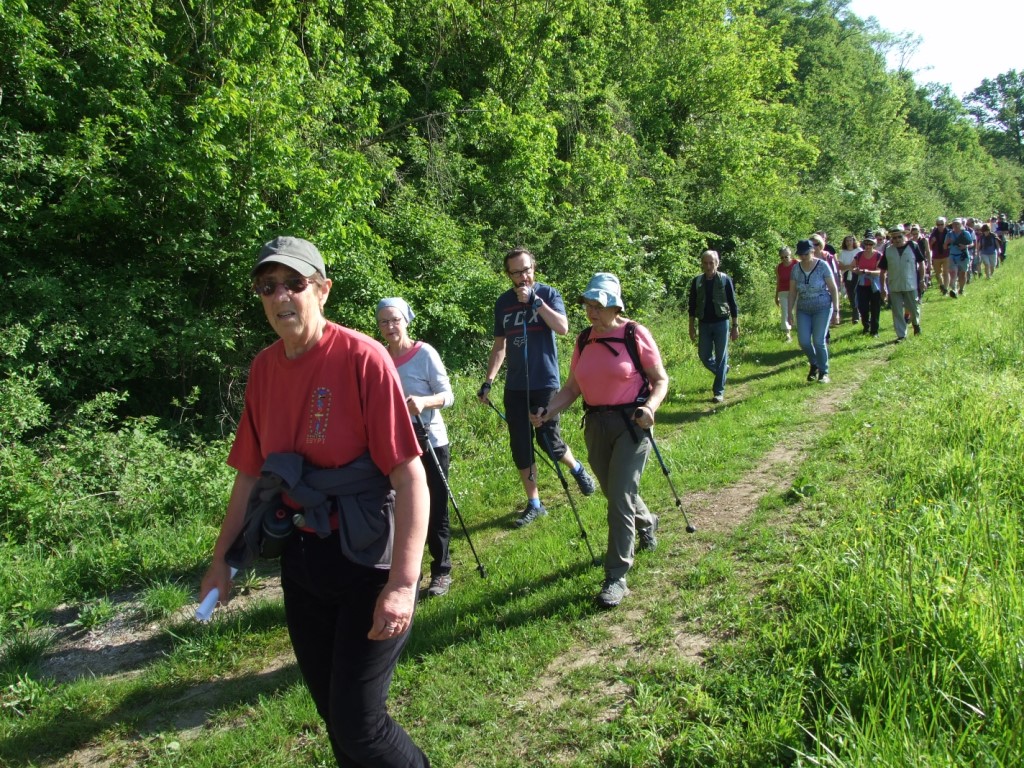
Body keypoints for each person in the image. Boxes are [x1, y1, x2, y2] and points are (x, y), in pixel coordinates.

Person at [199, 236, 431, 767]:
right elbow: (249, 478)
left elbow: (410, 476)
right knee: (334, 716)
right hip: (302, 560)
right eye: (267, 286)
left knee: (360, 725)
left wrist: (402, 584)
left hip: (365, 555)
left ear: (322, 290)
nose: (280, 296)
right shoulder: (263, 369)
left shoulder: (362, 359)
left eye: (294, 283)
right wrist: (221, 562)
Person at [530, 273, 669, 608]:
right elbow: (572, 388)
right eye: (588, 304)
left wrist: (650, 407)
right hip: (595, 425)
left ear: (614, 305)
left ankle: (616, 576)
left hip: (631, 424)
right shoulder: (583, 341)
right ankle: (647, 522)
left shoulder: (635, 334)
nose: (591, 311)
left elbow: (660, 379)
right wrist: (548, 412)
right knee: (614, 491)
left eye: (598, 304)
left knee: (619, 497)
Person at [477, 247, 596, 528]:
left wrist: (536, 302)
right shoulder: (503, 303)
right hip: (515, 385)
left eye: (526, 270)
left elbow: (563, 327)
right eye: (516, 272)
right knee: (520, 444)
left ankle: (577, 468)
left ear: (534, 268)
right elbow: (499, 346)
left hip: (544, 381)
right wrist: (488, 381)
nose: (523, 277)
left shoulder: (549, 294)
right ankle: (534, 503)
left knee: (547, 439)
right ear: (508, 275)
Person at [377, 297, 455, 598]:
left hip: (431, 441)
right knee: (397, 511)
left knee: (435, 507)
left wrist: (423, 402)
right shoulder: (380, 357)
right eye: (384, 321)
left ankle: (441, 571)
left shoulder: (425, 354)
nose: (390, 326)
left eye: (395, 319)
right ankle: (407, 573)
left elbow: (448, 395)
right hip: (396, 448)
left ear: (406, 320)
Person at [687, 250, 739, 404]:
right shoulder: (697, 281)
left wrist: (735, 325)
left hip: (722, 322)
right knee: (704, 355)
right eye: (706, 263)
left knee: (721, 356)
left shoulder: (724, 280)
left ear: (717, 263)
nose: (709, 266)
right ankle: (722, 372)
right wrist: (691, 326)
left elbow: (733, 303)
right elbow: (692, 306)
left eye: (712, 263)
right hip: (704, 323)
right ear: (702, 264)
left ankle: (718, 392)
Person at [788, 239, 840, 383]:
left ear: (812, 251)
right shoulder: (796, 269)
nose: (802, 257)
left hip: (822, 306)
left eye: (805, 254)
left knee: (818, 341)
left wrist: (836, 311)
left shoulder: (822, 266)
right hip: (803, 308)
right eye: (800, 255)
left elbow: (833, 288)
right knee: (804, 341)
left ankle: (824, 372)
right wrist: (789, 312)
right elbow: (792, 292)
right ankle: (814, 363)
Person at [879, 227, 926, 343]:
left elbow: (921, 262)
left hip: (911, 283)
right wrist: (883, 288)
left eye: (899, 236)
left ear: (904, 236)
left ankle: (916, 325)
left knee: (913, 308)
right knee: (897, 311)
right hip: (894, 285)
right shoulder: (888, 250)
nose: (897, 239)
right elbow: (883, 270)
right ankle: (901, 335)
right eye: (894, 237)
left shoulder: (913, 246)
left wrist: (922, 280)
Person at [853, 235, 883, 337]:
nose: (868, 246)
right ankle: (866, 326)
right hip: (862, 284)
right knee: (863, 307)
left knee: (875, 308)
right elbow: (852, 267)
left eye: (870, 244)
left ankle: (874, 331)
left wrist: (868, 271)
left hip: (874, 285)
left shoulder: (878, 255)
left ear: (873, 245)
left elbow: (880, 271)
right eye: (866, 244)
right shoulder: (859, 255)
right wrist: (857, 271)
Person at [944, 219, 975, 298]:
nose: (956, 226)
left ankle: (961, 289)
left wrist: (965, 246)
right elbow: (944, 247)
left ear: (961, 224)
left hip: (963, 255)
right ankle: (953, 289)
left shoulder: (965, 233)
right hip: (952, 256)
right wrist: (947, 242)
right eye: (954, 224)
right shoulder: (949, 234)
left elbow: (972, 243)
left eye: (958, 224)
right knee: (953, 273)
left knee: (962, 273)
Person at [836, 235, 860, 324]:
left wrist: (852, 267)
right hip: (847, 275)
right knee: (851, 294)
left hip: (857, 274)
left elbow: (861, 262)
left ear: (854, 241)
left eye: (850, 240)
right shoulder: (843, 253)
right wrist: (848, 267)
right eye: (847, 241)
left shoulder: (859, 251)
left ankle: (858, 312)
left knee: (857, 292)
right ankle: (855, 313)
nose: (849, 242)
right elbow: (840, 266)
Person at [775, 246, 796, 342]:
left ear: (790, 254)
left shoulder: (797, 264)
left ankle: (802, 331)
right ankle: (788, 334)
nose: (784, 259)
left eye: (786, 257)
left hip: (795, 291)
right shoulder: (779, 267)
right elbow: (778, 281)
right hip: (783, 291)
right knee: (785, 312)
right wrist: (776, 295)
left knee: (797, 311)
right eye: (782, 257)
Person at [929, 217, 950, 295]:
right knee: (938, 274)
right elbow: (929, 247)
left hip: (946, 255)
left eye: (942, 224)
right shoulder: (933, 234)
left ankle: (946, 288)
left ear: (945, 224)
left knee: (946, 272)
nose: (940, 226)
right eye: (938, 224)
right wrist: (932, 242)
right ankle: (941, 285)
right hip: (936, 256)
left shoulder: (949, 233)